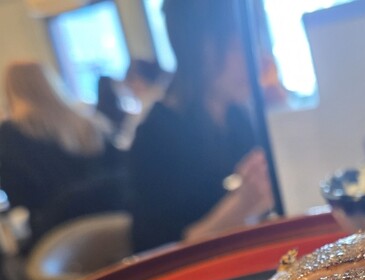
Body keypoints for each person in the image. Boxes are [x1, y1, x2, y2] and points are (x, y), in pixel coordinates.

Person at [128, 0, 273, 253]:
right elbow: (161, 254)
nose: (255, 58)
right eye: (236, 46)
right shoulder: (156, 136)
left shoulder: (238, 118)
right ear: (197, 48)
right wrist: (243, 202)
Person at [0, 61, 126, 246]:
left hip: (57, 237)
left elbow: (17, 195)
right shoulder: (88, 122)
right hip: (113, 220)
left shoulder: (9, 135)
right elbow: (119, 168)